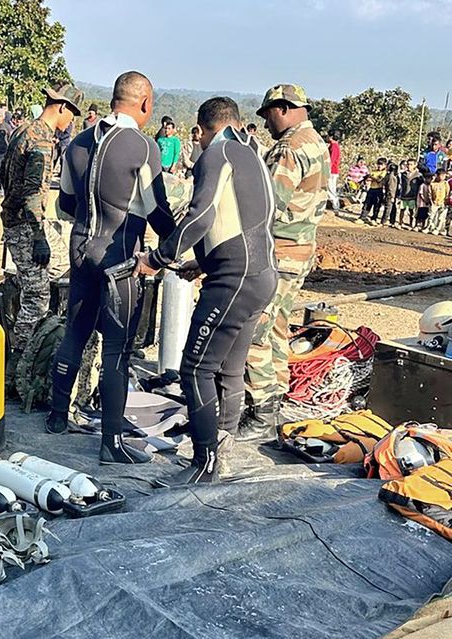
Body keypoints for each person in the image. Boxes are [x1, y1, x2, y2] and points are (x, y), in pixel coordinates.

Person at [136, 97, 278, 483]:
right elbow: (249, 219)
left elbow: (200, 216)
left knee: (195, 369)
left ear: (200, 130)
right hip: (261, 274)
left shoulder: (217, 155)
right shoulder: (253, 153)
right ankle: (224, 445)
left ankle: (204, 463)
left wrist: (158, 257)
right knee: (230, 369)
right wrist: (203, 262)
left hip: (235, 279)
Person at [44, 72, 173, 465]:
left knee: (75, 332)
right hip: (119, 257)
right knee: (117, 349)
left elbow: (64, 204)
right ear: (145, 103)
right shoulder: (143, 146)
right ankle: (111, 443)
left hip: (80, 249)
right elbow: (157, 212)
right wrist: (178, 246)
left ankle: (56, 417)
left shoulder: (79, 142)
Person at [238, 84, 330, 440]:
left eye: (268, 116)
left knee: (256, 330)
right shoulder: (317, 144)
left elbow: (266, 204)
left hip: (278, 253)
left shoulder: (289, 150)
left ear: (283, 108)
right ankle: (274, 403)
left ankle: (261, 412)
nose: (266, 125)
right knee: (278, 328)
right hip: (300, 251)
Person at [0, 83, 84, 386]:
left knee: (40, 283)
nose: (70, 122)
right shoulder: (43, 141)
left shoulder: (24, 130)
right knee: (36, 297)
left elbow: (5, 176)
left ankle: (21, 357)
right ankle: (17, 370)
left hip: (14, 219)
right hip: (26, 225)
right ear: (62, 108)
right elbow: (33, 193)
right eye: (71, 115)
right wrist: (38, 235)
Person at [361, 157, 387, 224]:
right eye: (378, 164)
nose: (379, 166)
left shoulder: (384, 172)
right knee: (367, 204)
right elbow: (368, 178)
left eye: (381, 164)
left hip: (379, 190)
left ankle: (374, 218)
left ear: (385, 165)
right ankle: (363, 217)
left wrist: (371, 177)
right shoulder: (374, 171)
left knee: (377, 205)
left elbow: (379, 180)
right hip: (371, 189)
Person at [426, 168, 449, 235]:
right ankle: (430, 227)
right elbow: (429, 193)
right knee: (431, 216)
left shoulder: (445, 184)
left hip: (442, 203)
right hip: (434, 202)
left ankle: (437, 229)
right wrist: (431, 201)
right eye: (441, 176)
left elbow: (447, 193)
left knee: (440, 218)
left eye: (443, 176)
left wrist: (445, 201)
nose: (442, 177)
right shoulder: (433, 184)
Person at [327, 130, 340, 211]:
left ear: (331, 137)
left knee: (331, 189)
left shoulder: (334, 146)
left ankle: (335, 206)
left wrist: (327, 169)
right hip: (332, 170)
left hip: (332, 171)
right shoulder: (333, 146)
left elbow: (332, 160)